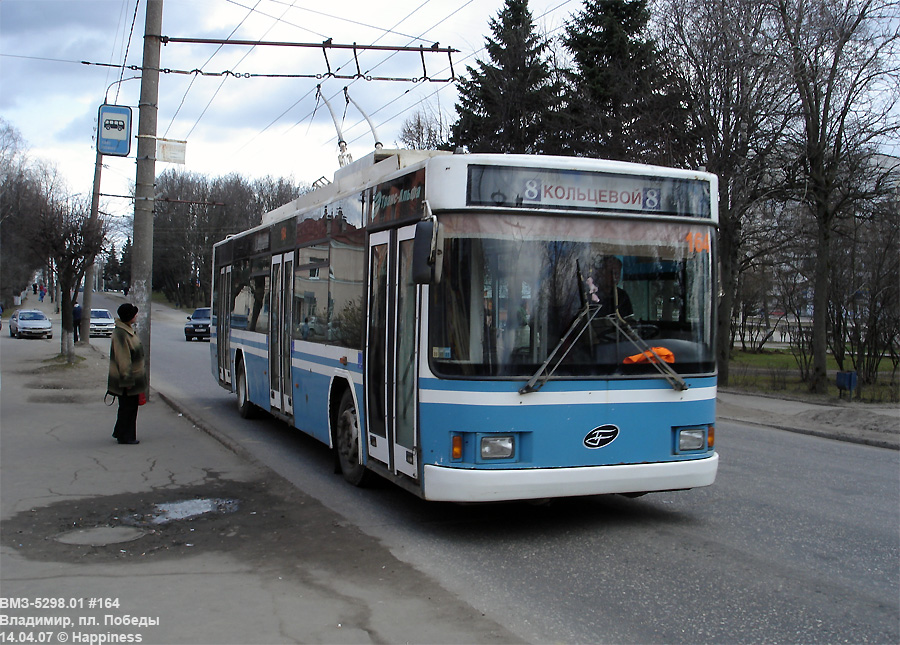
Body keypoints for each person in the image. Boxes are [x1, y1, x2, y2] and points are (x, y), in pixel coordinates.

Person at [107, 303, 146, 445]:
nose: (136, 316)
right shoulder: (121, 334)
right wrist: (127, 380)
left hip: (131, 378)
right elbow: (123, 359)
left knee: (128, 408)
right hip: (127, 380)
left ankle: (121, 432)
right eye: (134, 314)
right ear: (129, 316)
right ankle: (125, 436)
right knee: (128, 408)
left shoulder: (126, 330)